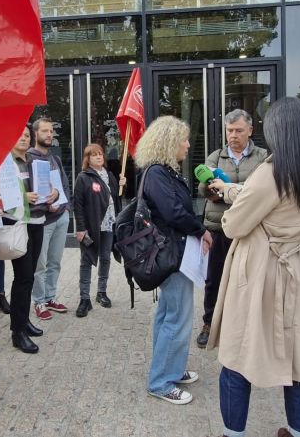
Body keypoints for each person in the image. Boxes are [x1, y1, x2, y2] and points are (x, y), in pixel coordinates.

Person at [206, 96, 300, 437]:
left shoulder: (272, 171)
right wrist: (235, 191)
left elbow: (234, 224)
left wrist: (233, 202)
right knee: (299, 362)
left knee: (237, 357)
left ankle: (233, 433)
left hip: (262, 272)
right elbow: (274, 203)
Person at [134, 115, 212, 405]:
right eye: (184, 140)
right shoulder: (158, 173)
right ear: (169, 142)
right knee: (177, 319)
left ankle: (171, 369)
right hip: (173, 254)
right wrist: (201, 230)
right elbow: (173, 212)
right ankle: (160, 382)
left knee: (168, 314)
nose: (188, 145)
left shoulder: (162, 171)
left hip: (174, 252)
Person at [195, 109, 268, 349]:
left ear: (250, 130)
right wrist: (219, 190)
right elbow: (203, 189)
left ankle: (246, 326)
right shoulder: (216, 157)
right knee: (214, 280)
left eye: (238, 130)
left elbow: (264, 189)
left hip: (250, 229)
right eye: (229, 131)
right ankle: (209, 323)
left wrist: (229, 190)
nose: (233, 135)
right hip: (219, 228)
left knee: (248, 280)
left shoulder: (263, 157)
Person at [5, 124, 49, 353]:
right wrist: (24, 196)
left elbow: (48, 186)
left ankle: (23, 320)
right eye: (18, 135)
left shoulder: (35, 161)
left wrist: (53, 193)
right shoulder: (6, 164)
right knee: (22, 278)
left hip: (38, 221)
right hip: (20, 224)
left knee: (30, 276)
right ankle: (17, 332)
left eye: (26, 135)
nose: (23, 138)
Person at [71, 143, 125, 317]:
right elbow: (78, 205)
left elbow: (115, 199)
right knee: (86, 260)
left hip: (108, 224)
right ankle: (84, 298)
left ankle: (102, 292)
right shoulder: (83, 177)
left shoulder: (110, 175)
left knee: (105, 258)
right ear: (88, 159)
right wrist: (81, 228)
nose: (99, 157)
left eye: (100, 154)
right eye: (94, 155)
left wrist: (122, 185)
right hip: (91, 226)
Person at [28, 117, 69, 320]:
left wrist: (63, 204)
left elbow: (64, 184)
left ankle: (50, 297)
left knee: (55, 262)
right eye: (45, 131)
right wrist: (46, 205)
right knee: (40, 265)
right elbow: (28, 190)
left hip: (61, 217)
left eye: (51, 131)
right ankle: (39, 301)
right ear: (35, 133)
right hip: (42, 220)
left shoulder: (55, 159)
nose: (49, 135)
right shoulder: (28, 158)